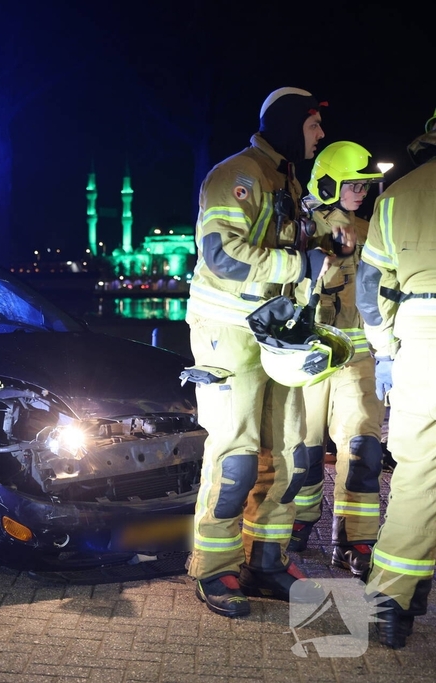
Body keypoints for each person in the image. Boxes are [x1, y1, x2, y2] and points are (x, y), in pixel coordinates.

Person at [185, 87, 332, 617]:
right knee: (237, 457)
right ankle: (214, 569)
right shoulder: (238, 174)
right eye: (313, 125)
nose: (320, 135)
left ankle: (265, 562)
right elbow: (221, 255)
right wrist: (298, 266)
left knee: (288, 453)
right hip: (229, 332)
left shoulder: (286, 179)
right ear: (290, 124)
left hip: (277, 332)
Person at [286, 142, 386, 581]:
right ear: (328, 183)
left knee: (363, 446)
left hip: (359, 353)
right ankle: (298, 524)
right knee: (303, 449)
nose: (361, 192)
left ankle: (356, 542)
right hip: (311, 354)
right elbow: (285, 287)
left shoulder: (371, 229)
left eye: (365, 185)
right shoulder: (301, 225)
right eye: (353, 185)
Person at [357, 108, 436, 649]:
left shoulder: (395, 197)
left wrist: (385, 351)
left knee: (417, 474)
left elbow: (371, 288)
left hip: (419, 335)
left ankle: (390, 603)